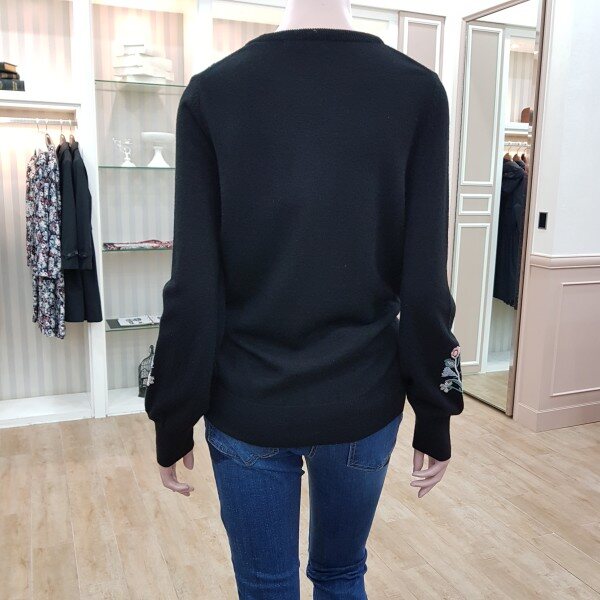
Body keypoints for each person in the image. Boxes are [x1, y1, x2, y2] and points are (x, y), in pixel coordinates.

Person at [144, 6, 464, 599]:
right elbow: (425, 278)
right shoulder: (417, 92)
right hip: (363, 398)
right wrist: (435, 409)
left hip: (248, 399)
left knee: (265, 586)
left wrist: (173, 412)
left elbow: (194, 284)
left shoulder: (213, 93)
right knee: (343, 574)